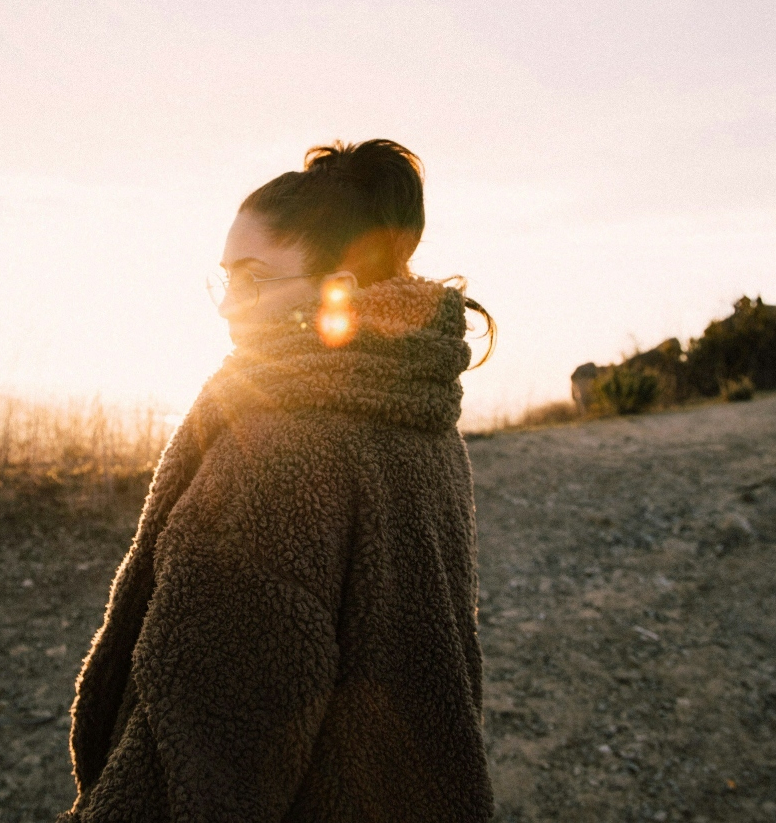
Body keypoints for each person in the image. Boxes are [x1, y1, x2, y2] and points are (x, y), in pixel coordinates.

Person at [58, 139, 495, 823]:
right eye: (224, 279)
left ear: (338, 286)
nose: (229, 307)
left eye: (253, 278)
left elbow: (203, 752)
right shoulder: (421, 414)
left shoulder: (274, 448)